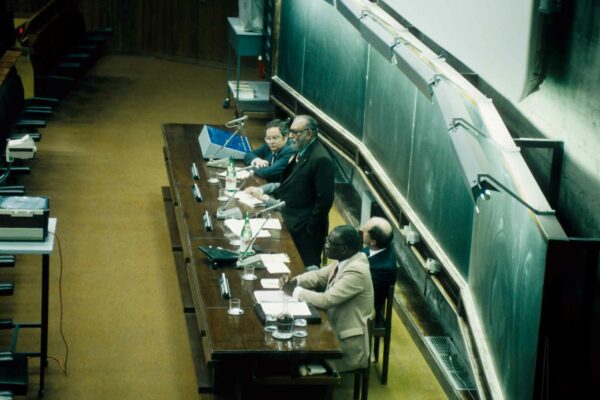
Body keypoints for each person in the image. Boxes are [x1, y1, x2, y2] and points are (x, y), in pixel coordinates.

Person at [282, 225, 374, 372]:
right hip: (331, 326)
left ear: (343, 248)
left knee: (293, 348)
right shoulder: (345, 260)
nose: (325, 245)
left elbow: (326, 300)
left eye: (330, 243)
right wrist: (295, 281)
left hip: (345, 345)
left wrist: (295, 291)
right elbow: (318, 276)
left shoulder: (357, 271)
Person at [246, 115, 335, 267]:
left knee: (304, 267)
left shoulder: (321, 159)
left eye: (295, 133)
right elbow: (290, 185)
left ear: (309, 133)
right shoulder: (301, 151)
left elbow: (324, 200)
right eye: (291, 132)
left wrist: (309, 228)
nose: (291, 136)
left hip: (306, 229)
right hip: (291, 219)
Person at [362, 217, 397, 325]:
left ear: (373, 242)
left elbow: (364, 292)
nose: (362, 231)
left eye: (364, 231)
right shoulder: (375, 247)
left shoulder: (384, 269)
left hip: (365, 310)